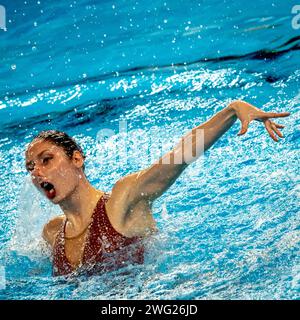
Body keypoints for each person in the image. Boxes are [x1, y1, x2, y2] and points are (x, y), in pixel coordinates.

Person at [25, 100, 290, 276]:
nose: (37, 172)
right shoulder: (51, 234)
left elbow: (178, 157)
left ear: (77, 159)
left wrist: (232, 110)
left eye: (46, 160)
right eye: (30, 168)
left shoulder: (122, 200)